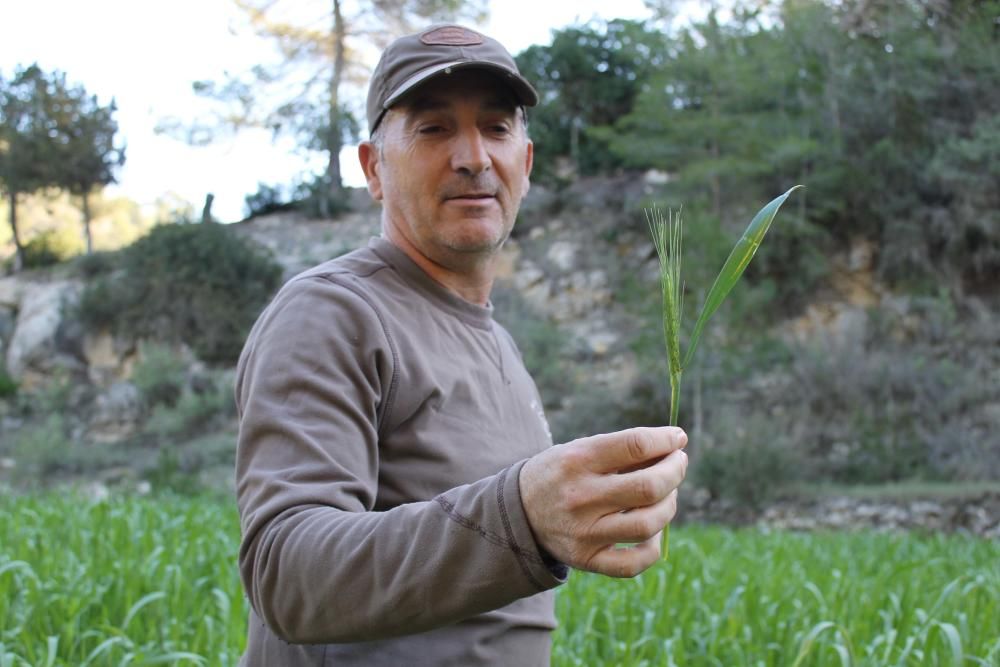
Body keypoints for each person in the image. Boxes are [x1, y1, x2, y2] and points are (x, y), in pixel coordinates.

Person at [234, 23, 688, 667]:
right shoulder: (332, 312)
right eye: (433, 128)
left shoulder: (500, 342)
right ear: (373, 169)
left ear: (524, 166)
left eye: (497, 127)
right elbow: (287, 575)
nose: (474, 155)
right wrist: (524, 516)